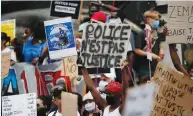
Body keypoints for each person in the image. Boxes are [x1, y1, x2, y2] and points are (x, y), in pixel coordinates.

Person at [134, 10, 166, 83]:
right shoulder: (142, 33)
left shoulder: (155, 34)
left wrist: (161, 50)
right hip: (144, 68)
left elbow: (160, 45)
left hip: (155, 67)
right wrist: (150, 55)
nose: (158, 22)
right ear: (149, 20)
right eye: (157, 20)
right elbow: (137, 50)